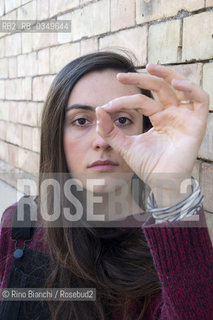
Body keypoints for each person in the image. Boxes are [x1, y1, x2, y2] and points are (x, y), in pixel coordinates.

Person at [0, 50, 213, 320]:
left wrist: (171, 187)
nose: (103, 138)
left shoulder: (170, 250)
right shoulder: (20, 225)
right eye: (81, 121)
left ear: (145, 132)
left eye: (122, 120)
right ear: (56, 135)